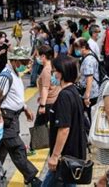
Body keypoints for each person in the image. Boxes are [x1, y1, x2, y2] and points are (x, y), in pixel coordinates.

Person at [0, 47, 41, 186]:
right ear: (13, 60)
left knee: (0, 151)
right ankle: (31, 178)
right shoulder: (5, 76)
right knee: (17, 148)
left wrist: (25, 108)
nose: (24, 64)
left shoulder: (14, 73)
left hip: (13, 117)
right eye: (21, 61)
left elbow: (15, 96)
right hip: (6, 118)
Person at [43, 55, 87, 186]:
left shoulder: (64, 96)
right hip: (73, 156)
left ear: (61, 73)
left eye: (55, 71)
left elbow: (64, 129)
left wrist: (55, 156)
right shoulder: (74, 91)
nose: (53, 74)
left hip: (65, 158)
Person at [29, 45, 60, 155]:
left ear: (43, 56)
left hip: (48, 103)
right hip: (54, 100)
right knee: (48, 124)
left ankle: (33, 148)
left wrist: (42, 105)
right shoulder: (53, 67)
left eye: (38, 56)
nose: (37, 58)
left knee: (39, 124)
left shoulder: (46, 70)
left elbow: (46, 88)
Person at [75, 38, 100, 116]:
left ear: (83, 47)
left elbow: (89, 78)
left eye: (77, 48)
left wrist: (87, 96)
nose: (76, 51)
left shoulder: (88, 60)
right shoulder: (91, 54)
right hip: (93, 91)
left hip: (91, 93)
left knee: (90, 115)